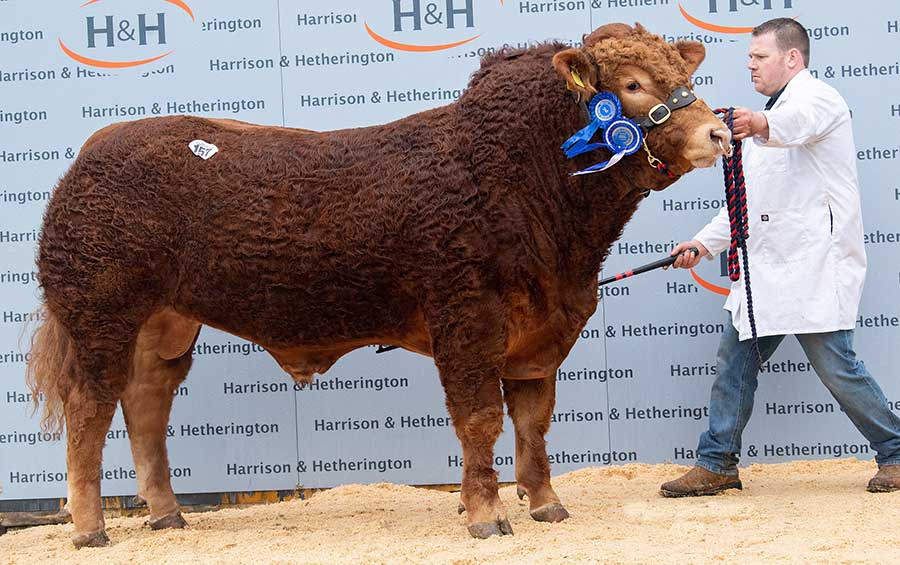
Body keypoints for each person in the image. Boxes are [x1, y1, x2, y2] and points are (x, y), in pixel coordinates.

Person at [659, 18, 900, 497]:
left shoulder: (817, 100)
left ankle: (895, 451)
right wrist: (702, 243)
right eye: (749, 56)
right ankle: (718, 462)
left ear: (792, 58)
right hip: (764, 274)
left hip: (813, 268)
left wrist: (762, 123)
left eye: (760, 56)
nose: (750, 63)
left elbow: (796, 125)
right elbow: (748, 205)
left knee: (837, 368)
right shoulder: (768, 116)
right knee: (734, 363)